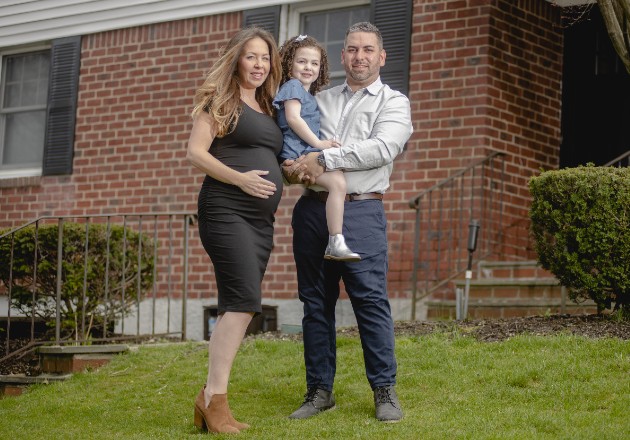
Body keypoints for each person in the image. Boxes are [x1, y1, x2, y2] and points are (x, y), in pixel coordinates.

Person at [283, 22, 413, 423]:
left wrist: (324, 159)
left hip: (361, 210)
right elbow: (295, 147)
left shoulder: (393, 103)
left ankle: (384, 390)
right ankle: (319, 390)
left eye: (368, 50)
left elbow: (382, 148)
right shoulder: (317, 99)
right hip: (310, 209)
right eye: (353, 49)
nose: (360, 56)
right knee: (315, 304)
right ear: (342, 56)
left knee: (370, 303)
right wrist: (291, 168)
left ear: (381, 56)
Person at [186, 26, 282, 434]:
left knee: (238, 305)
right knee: (243, 300)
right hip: (225, 208)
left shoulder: (268, 107)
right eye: (251, 57)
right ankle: (214, 399)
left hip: (260, 220)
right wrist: (241, 179)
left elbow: (267, 156)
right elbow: (195, 153)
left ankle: (209, 397)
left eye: (265, 58)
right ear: (236, 59)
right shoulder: (220, 99)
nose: (259, 65)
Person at [273, 35, 360, 262]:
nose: (308, 67)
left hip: (303, 151)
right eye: (302, 61)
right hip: (297, 154)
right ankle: (336, 240)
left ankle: (336, 240)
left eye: (314, 63)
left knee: (338, 182)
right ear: (289, 63)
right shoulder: (292, 87)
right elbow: (293, 119)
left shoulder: (307, 94)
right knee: (337, 182)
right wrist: (319, 144)